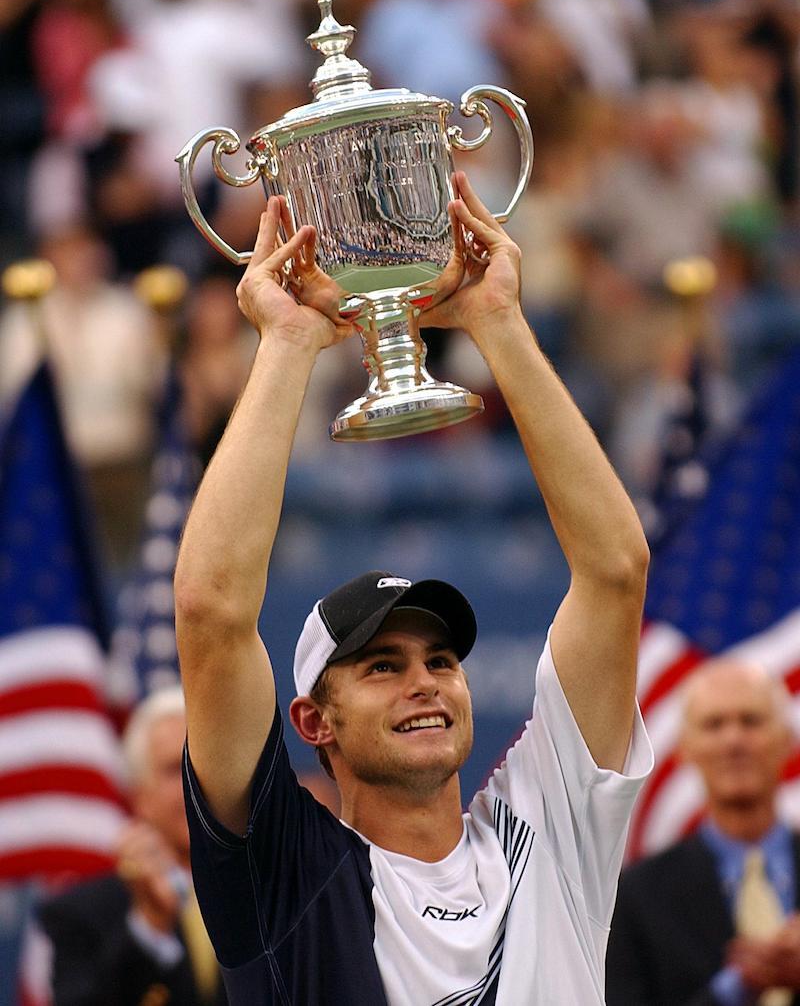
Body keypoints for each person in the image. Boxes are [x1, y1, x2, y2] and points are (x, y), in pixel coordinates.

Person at [173, 173, 653, 1004]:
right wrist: (287, 344)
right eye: (381, 665)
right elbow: (212, 614)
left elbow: (615, 573)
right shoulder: (284, 877)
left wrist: (496, 321)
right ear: (314, 722)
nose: (426, 680)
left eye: (439, 659)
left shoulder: (548, 827)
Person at [606, 657, 800, 1006]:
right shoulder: (636, 897)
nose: (734, 740)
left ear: (786, 740)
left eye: (751, 720)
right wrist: (737, 987)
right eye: (714, 724)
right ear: (685, 749)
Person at [39, 687, 227, 1006]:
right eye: (173, 769)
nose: (194, 784)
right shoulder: (80, 915)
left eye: (205, 763)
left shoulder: (273, 895)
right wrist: (150, 927)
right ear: (139, 797)